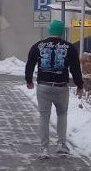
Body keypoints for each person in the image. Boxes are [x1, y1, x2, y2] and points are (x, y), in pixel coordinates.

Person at [25, 20, 85, 159]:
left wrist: (29, 80)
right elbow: (75, 69)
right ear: (62, 31)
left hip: (44, 86)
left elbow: (30, 64)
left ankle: (44, 149)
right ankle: (61, 145)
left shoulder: (38, 46)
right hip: (61, 87)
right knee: (62, 115)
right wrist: (79, 85)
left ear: (49, 30)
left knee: (44, 117)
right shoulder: (69, 47)